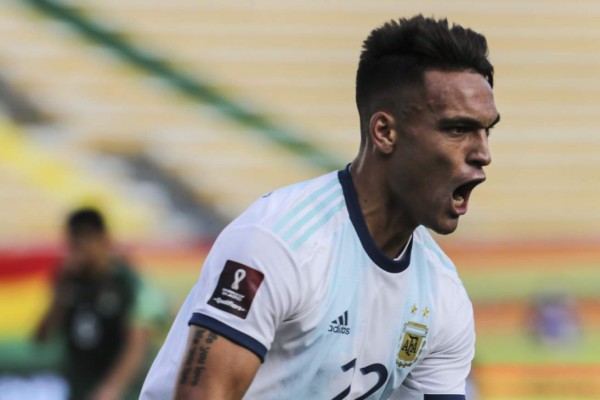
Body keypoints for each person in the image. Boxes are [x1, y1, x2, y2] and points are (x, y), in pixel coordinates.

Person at [140, 15, 500, 399]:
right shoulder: (276, 243)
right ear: (385, 133)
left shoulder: (442, 294)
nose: (483, 154)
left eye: (486, 131)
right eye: (457, 129)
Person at [35, 208, 154, 400]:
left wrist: (112, 388)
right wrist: (60, 294)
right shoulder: (67, 280)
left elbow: (138, 342)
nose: (79, 248)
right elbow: (41, 337)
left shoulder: (125, 281)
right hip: (79, 388)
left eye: (85, 239)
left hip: (120, 392)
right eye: (74, 241)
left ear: (102, 240)